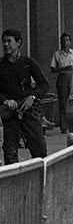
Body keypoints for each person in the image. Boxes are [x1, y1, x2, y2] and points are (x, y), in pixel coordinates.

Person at [0, 28, 49, 164]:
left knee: (40, 149)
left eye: (9, 41)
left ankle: (39, 181)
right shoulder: (1, 65)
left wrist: (32, 97)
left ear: (18, 42)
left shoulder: (28, 63)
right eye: (4, 42)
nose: (6, 45)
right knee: (10, 152)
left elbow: (44, 84)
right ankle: (13, 183)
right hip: (9, 112)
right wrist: (5, 101)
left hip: (28, 110)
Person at [50, 32, 73, 132]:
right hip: (62, 77)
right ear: (60, 42)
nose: (65, 42)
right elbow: (53, 69)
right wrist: (63, 68)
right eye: (63, 40)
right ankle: (64, 126)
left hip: (72, 77)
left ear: (70, 42)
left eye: (67, 40)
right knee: (63, 102)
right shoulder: (57, 54)